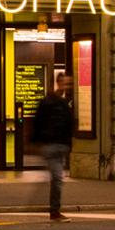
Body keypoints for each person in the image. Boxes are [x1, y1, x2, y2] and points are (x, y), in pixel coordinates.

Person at [28, 76, 78, 221]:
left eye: (69, 84)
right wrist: (36, 141)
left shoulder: (64, 103)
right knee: (57, 178)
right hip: (50, 145)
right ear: (58, 83)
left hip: (59, 146)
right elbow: (38, 122)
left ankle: (52, 208)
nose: (68, 86)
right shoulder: (50, 102)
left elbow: (68, 125)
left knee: (55, 177)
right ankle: (54, 211)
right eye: (65, 83)